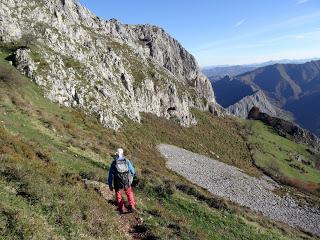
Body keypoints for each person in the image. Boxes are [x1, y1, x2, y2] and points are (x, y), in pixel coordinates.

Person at [108, 148, 136, 213]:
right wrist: (130, 179)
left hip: (117, 182)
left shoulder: (114, 163)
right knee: (129, 193)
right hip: (126, 181)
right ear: (122, 154)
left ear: (116, 154)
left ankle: (121, 208)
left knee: (118, 194)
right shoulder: (127, 161)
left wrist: (110, 185)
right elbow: (133, 172)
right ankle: (132, 206)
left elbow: (110, 175)